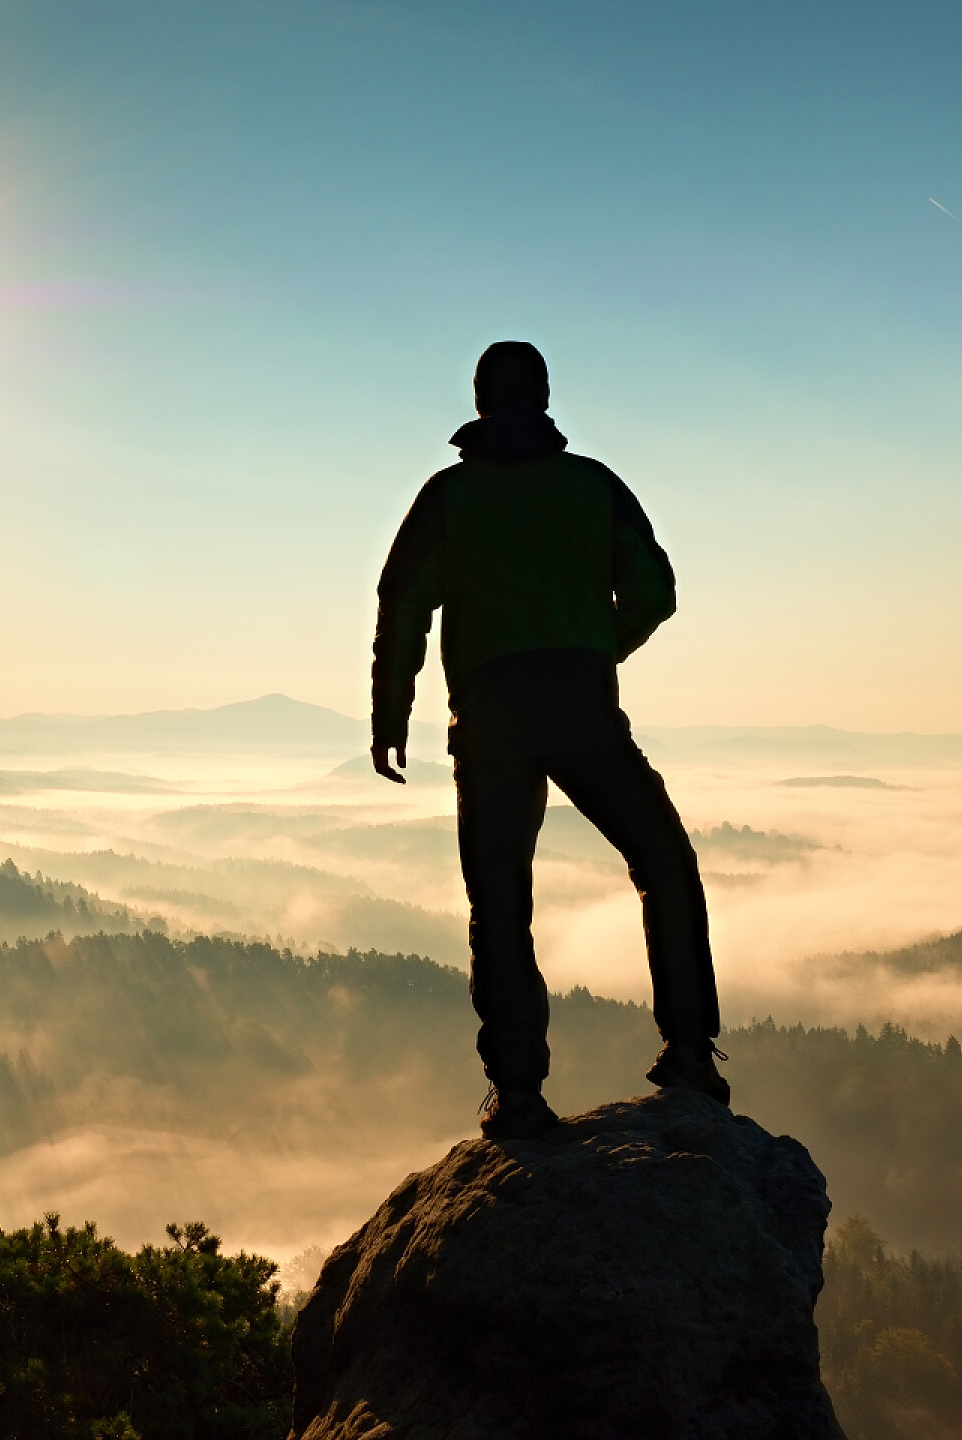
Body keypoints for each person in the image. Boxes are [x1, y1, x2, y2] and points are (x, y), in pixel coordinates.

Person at [370, 341, 727, 1139]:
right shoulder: (592, 487)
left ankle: (520, 1094)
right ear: (545, 396)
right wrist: (597, 645)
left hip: (490, 722)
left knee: (500, 903)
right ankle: (692, 1051)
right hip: (584, 710)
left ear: (479, 402)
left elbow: (402, 605)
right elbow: (656, 592)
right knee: (664, 863)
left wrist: (390, 715)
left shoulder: (449, 497)